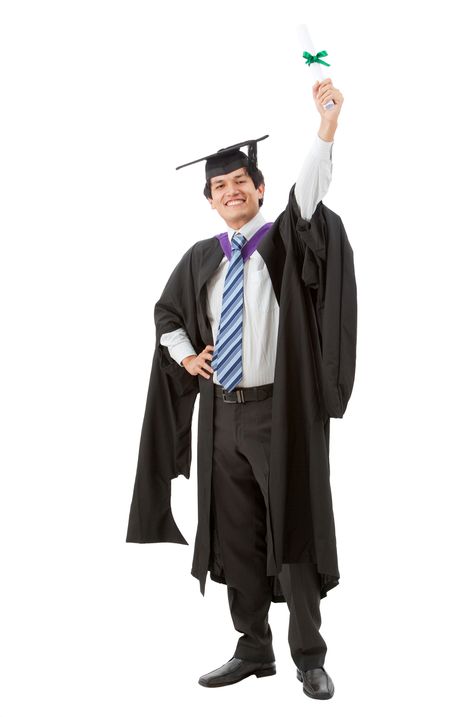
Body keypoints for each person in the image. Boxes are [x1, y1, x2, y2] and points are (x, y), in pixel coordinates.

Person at [126, 79, 357, 701]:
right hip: (219, 418)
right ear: (210, 200)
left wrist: (327, 124)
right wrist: (187, 356)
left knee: (295, 530)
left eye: (241, 183)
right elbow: (166, 314)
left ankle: (308, 654)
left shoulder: (283, 238)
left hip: (279, 413)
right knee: (236, 534)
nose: (230, 191)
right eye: (219, 187)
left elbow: (309, 194)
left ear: (259, 189)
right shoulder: (202, 257)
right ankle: (253, 649)